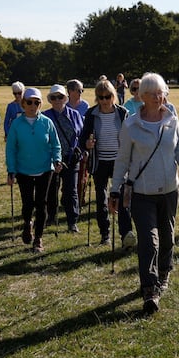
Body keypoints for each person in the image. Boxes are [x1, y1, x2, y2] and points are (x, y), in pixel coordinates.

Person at [110, 72, 179, 315]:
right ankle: (149, 289)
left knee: (167, 238)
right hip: (141, 192)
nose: (158, 97)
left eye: (161, 92)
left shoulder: (172, 120)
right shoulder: (131, 124)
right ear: (142, 97)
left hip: (169, 191)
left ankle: (164, 271)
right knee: (149, 241)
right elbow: (121, 161)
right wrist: (114, 190)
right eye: (153, 94)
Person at [6, 87, 63, 252]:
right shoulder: (16, 124)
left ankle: (38, 238)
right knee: (27, 204)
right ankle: (27, 223)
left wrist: (57, 159)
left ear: (40, 104)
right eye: (29, 102)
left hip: (45, 169)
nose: (33, 105)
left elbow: (55, 145)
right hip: (23, 170)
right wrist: (11, 170)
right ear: (23, 103)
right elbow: (11, 149)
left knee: (41, 204)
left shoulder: (47, 122)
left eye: (36, 102)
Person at [79, 79, 130, 247]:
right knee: (101, 199)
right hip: (99, 162)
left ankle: (125, 234)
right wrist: (87, 144)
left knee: (122, 198)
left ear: (113, 96)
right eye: (101, 98)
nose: (105, 101)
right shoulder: (91, 114)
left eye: (108, 97)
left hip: (119, 162)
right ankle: (105, 235)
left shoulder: (122, 113)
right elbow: (82, 139)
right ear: (97, 98)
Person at [42, 84, 83, 233]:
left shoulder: (75, 115)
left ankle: (72, 221)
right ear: (50, 100)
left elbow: (81, 135)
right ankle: (51, 216)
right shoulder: (45, 116)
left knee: (70, 190)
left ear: (65, 98)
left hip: (71, 158)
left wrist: (82, 150)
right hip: (51, 159)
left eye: (60, 97)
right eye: (54, 97)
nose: (57, 100)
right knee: (51, 189)